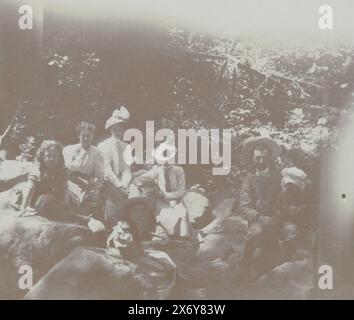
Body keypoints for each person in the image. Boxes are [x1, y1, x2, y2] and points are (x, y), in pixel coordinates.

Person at [17, 140, 105, 233]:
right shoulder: (38, 170)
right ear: (42, 157)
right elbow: (30, 188)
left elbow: (65, 188)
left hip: (56, 196)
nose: (51, 159)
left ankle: (83, 218)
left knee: (72, 202)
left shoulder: (61, 169)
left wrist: (65, 203)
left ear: (59, 157)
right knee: (45, 201)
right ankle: (85, 220)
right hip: (40, 198)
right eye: (48, 156)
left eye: (54, 156)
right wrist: (23, 209)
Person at [239, 136, 282, 271]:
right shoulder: (248, 179)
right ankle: (244, 266)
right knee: (254, 232)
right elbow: (244, 206)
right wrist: (258, 217)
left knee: (280, 234)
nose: (261, 161)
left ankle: (275, 265)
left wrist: (278, 216)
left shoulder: (280, 177)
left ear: (270, 158)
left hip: (277, 217)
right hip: (257, 218)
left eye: (264, 157)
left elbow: (286, 200)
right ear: (252, 159)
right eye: (257, 158)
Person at [131, 143, 192, 239]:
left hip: (176, 200)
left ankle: (183, 239)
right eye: (163, 160)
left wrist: (164, 194)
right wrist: (141, 186)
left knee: (182, 214)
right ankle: (163, 234)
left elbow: (180, 192)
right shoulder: (157, 170)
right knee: (164, 215)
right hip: (161, 201)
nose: (166, 162)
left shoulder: (179, 170)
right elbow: (140, 179)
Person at [63, 121, 105, 219]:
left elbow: (100, 175)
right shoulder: (68, 149)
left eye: (89, 136)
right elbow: (64, 169)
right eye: (83, 135)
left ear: (93, 136)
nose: (86, 138)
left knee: (91, 205)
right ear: (78, 135)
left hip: (86, 185)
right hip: (68, 183)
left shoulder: (97, 152)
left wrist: (96, 191)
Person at [98, 107, 132, 224]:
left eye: (120, 130)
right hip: (108, 181)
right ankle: (113, 225)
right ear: (111, 130)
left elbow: (127, 169)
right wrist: (119, 186)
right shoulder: (103, 146)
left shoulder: (126, 147)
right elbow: (107, 170)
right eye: (116, 130)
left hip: (123, 182)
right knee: (113, 199)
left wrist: (125, 185)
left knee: (135, 194)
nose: (118, 132)